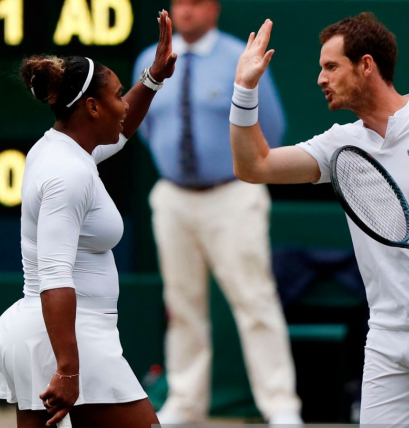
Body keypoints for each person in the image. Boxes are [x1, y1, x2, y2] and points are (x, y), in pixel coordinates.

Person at [229, 13, 409, 425]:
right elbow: (254, 166)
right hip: (386, 335)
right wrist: (245, 88)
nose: (320, 78)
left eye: (331, 66)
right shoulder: (340, 143)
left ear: (366, 65)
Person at [0, 10, 177, 428]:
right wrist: (68, 368)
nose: (124, 103)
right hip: (68, 337)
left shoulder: (61, 149)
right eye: (118, 95)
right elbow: (54, 275)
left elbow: (121, 130)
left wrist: (152, 79)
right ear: (93, 107)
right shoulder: (67, 174)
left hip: (50, 335)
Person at [132, 0, 303, 425]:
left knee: (254, 298)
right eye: (179, 3)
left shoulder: (236, 57)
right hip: (173, 197)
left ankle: (280, 406)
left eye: (195, 3)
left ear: (214, 9)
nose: (185, 11)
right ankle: (185, 402)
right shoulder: (149, 59)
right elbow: (142, 124)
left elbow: (273, 128)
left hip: (233, 195)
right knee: (181, 303)